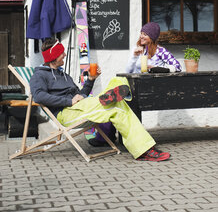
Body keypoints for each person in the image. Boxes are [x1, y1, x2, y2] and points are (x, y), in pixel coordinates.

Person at [30, 37, 171, 162]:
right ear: (54, 56)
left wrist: (91, 80)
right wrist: (69, 101)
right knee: (117, 106)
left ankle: (143, 148)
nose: (65, 55)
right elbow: (39, 96)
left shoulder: (64, 75)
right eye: (62, 53)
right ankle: (144, 149)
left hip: (82, 106)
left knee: (119, 82)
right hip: (67, 113)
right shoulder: (40, 76)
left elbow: (80, 94)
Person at [89, 21, 181, 147]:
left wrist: (156, 67)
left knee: (113, 97)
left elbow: (177, 66)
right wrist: (133, 56)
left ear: (152, 37)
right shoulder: (137, 49)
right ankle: (105, 136)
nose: (142, 36)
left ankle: (105, 137)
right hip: (134, 87)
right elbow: (128, 72)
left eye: (145, 34)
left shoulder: (160, 51)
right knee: (112, 99)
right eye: (141, 33)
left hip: (150, 89)